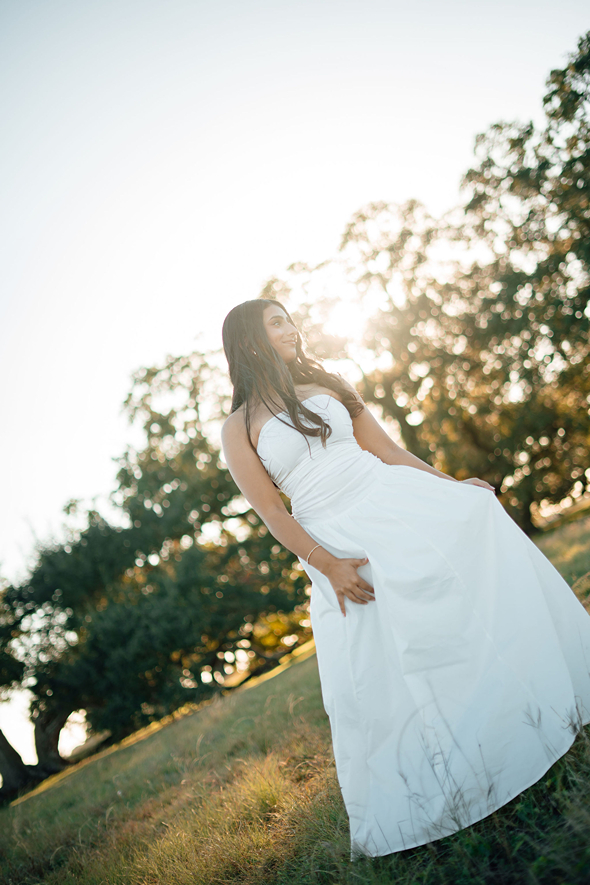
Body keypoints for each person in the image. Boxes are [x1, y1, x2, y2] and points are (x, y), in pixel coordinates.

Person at [220, 297, 590, 858]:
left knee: (453, 617)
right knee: (384, 666)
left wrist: (450, 485)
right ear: (248, 339)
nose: (290, 329)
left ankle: (523, 716)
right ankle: (438, 785)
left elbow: (389, 450)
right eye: (275, 322)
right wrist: (328, 564)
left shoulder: (330, 383)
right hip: (335, 540)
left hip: (391, 499)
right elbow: (273, 513)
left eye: (289, 318)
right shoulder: (238, 425)